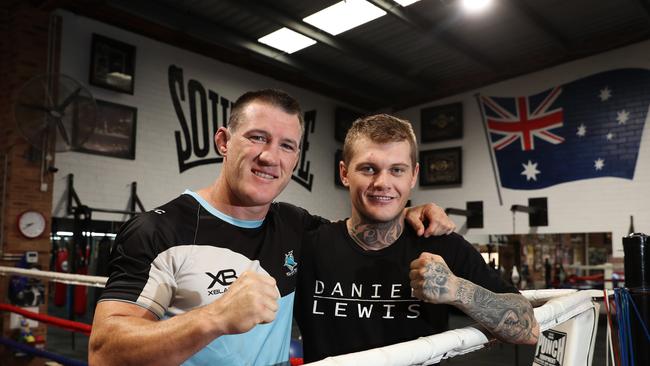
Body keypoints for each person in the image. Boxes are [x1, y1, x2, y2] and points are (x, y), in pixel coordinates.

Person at [88, 89, 454, 366]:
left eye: (286, 145)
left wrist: (405, 210)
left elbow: (359, 231)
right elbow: (103, 352)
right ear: (223, 141)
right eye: (257, 137)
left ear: (295, 158)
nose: (269, 157)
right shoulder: (159, 230)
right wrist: (214, 317)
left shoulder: (296, 225)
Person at [295, 114, 539, 362]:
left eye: (397, 170)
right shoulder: (309, 246)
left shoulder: (441, 245)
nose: (382, 182)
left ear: (413, 175)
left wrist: (457, 289)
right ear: (344, 173)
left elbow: (529, 329)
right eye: (368, 169)